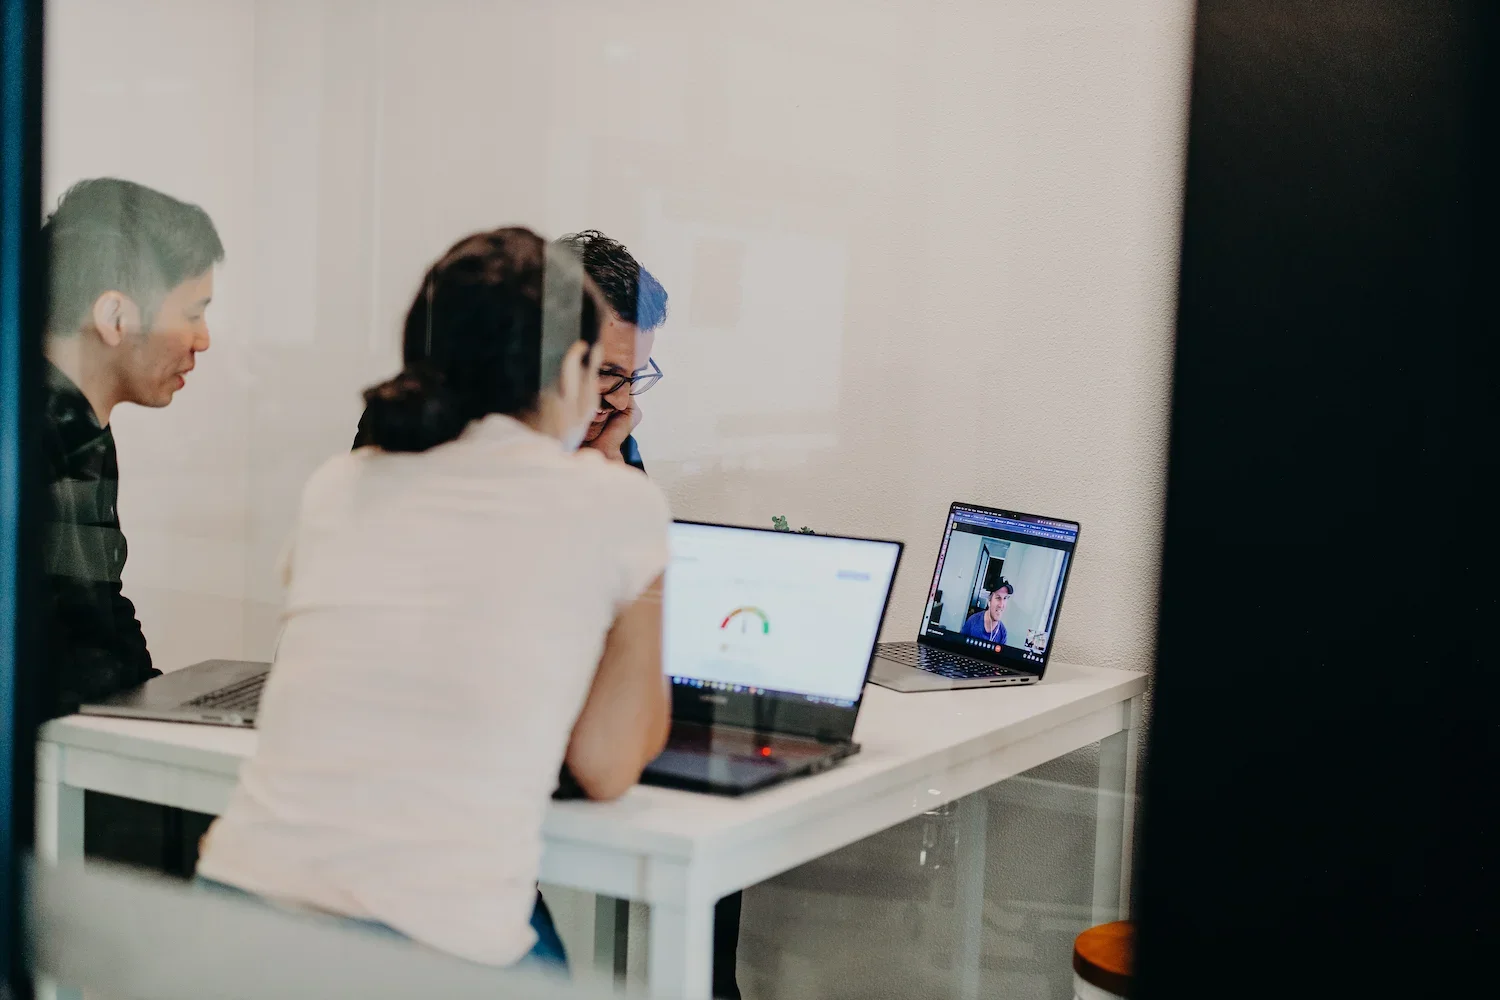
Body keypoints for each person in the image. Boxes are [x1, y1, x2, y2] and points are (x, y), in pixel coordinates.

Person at [196, 227, 672, 973]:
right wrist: (629, 508)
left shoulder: (340, 483)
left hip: (235, 907)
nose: (616, 397)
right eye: (604, 372)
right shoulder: (616, 503)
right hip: (420, 943)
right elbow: (607, 765)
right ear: (570, 366)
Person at [40, 177, 224, 871]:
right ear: (115, 315)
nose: (204, 339)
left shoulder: (78, 427)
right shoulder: (39, 435)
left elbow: (101, 614)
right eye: (194, 311)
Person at [962, 580, 1014, 645]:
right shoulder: (973, 621)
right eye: (998, 598)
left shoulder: (1002, 633)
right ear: (989, 600)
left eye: (1005, 598)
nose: (1001, 605)